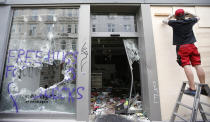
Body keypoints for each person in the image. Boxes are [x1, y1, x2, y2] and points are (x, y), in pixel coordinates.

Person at [162, 9, 207, 96]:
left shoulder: (174, 23)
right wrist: (189, 13)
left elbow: (164, 21)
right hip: (192, 45)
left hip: (182, 47)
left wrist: (170, 16)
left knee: (186, 65)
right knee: (198, 65)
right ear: (184, 15)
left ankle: (192, 88)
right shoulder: (190, 21)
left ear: (176, 17)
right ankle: (203, 87)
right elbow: (198, 17)